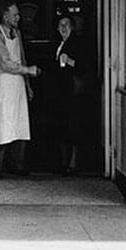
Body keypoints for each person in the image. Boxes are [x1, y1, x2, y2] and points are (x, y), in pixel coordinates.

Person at [0, 1, 40, 177]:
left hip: (18, 86)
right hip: (4, 85)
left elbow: (21, 58)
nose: (18, 17)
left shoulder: (17, 33)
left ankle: (17, 164)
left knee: (20, 124)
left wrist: (27, 85)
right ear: (5, 16)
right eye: (15, 14)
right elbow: (6, 63)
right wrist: (28, 71)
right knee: (2, 123)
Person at [51, 16, 91, 175]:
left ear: (72, 27)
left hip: (73, 92)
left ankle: (73, 163)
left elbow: (87, 66)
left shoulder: (79, 43)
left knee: (73, 126)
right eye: (60, 25)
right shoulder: (57, 44)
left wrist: (70, 61)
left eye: (66, 25)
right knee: (61, 126)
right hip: (61, 92)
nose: (63, 28)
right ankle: (63, 162)